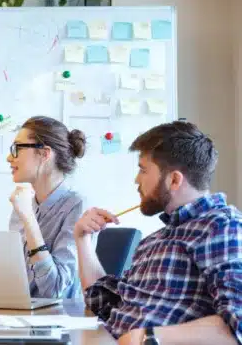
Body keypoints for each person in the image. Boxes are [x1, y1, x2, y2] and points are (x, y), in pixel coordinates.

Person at [74, 120, 242, 345]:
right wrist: (82, 239)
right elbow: (103, 304)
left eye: (143, 170)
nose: (137, 180)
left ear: (174, 179)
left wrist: (148, 337)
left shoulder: (221, 227)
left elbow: (237, 323)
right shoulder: (156, 239)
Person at [0, 116, 88, 299]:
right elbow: (8, 277)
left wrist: (29, 218)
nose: (9, 158)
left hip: (56, 320)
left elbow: (54, 290)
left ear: (44, 154)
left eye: (17, 149)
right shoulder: (24, 205)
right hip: (20, 315)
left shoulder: (77, 207)